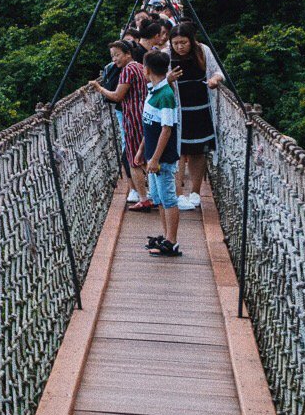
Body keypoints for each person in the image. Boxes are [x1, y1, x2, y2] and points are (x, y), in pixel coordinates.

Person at [92, 39, 151, 208]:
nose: (115, 59)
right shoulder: (141, 67)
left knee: (133, 159)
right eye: (112, 56)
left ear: (128, 54)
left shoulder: (127, 71)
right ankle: (153, 195)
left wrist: (99, 88)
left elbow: (117, 96)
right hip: (145, 114)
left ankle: (144, 199)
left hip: (133, 118)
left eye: (117, 55)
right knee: (147, 155)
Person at [139, 51, 183, 256]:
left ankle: (172, 242)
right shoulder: (153, 90)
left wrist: (155, 158)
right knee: (158, 198)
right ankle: (165, 236)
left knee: (168, 198)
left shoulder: (165, 96)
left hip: (162, 158)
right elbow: (150, 125)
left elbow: (166, 129)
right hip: (151, 155)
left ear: (147, 69)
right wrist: (142, 150)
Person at [168, 32, 216, 207]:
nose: (179, 47)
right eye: (176, 43)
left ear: (192, 41)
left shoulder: (203, 51)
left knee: (198, 150)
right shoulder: (166, 55)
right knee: (178, 151)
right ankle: (178, 194)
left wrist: (214, 80)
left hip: (201, 110)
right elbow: (152, 81)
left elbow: (218, 72)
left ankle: (195, 192)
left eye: (183, 42)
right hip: (177, 112)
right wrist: (168, 79)